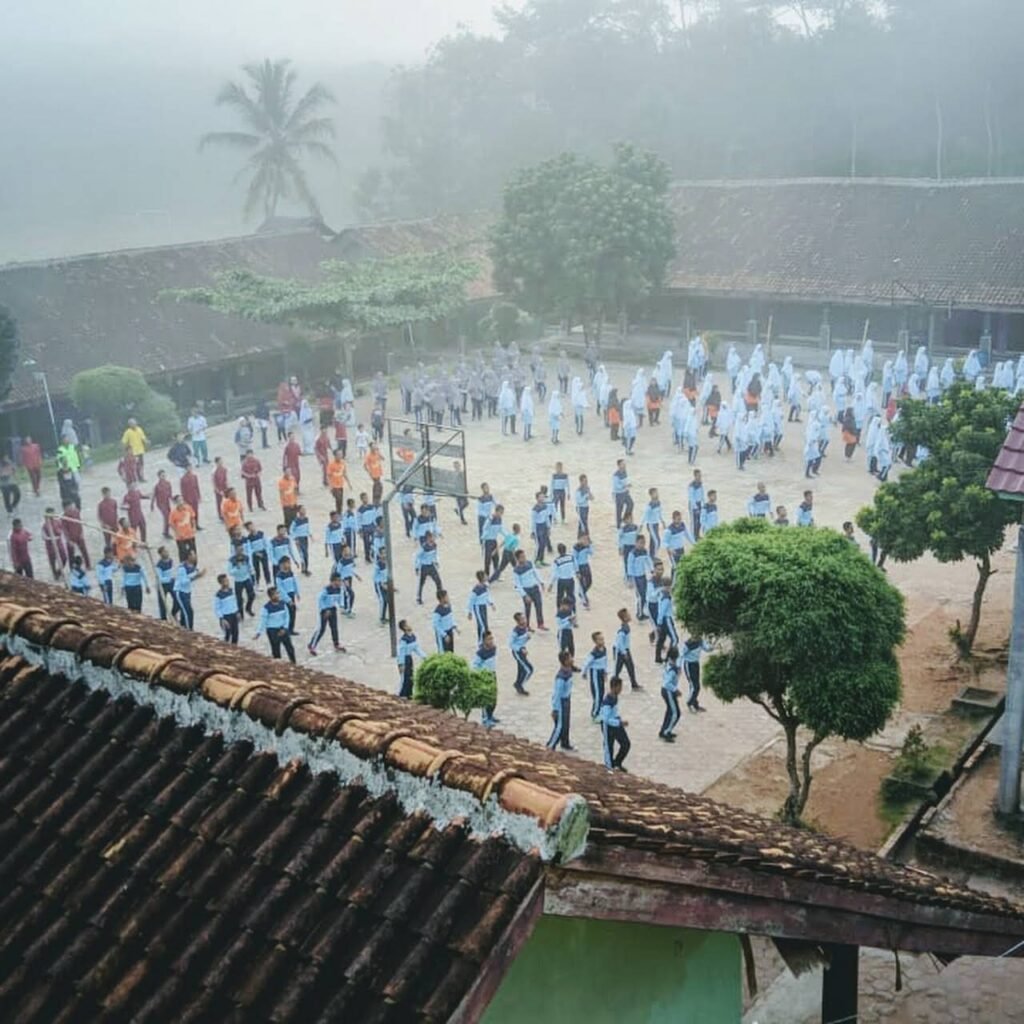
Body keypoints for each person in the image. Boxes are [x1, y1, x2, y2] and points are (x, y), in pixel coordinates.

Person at [255, 586, 296, 663]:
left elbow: (287, 617)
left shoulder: (283, 604)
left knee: (290, 648)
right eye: (275, 594)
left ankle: (294, 663)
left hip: (283, 629)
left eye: (278, 593)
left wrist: (285, 628)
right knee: (276, 650)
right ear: (270, 596)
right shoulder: (266, 608)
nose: (278, 595)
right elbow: (263, 621)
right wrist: (259, 632)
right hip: (272, 631)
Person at [546, 650, 577, 751]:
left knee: (566, 723)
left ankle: (565, 742)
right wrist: (555, 709)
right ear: (565, 661)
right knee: (560, 726)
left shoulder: (568, 670)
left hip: (567, 700)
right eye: (570, 658)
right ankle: (550, 746)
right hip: (561, 703)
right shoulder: (561, 677)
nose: (572, 659)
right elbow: (557, 694)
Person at [600, 676, 631, 772]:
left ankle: (617, 762)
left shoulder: (615, 696)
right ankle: (609, 767)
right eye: (620, 687)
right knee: (609, 747)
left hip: (616, 724)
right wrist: (619, 722)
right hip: (608, 727)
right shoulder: (607, 702)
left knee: (626, 744)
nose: (621, 689)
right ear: (614, 687)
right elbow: (605, 719)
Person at [513, 550, 546, 630]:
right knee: (527, 609)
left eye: (524, 556)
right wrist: (524, 595)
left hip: (534, 588)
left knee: (539, 606)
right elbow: (518, 585)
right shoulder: (516, 570)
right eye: (522, 557)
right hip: (526, 590)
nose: (524, 558)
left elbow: (536, 573)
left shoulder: (530, 564)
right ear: (518, 559)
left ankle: (540, 624)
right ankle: (526, 625)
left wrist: (541, 582)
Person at [472, 630, 500, 728]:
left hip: (492, 675)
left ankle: (490, 715)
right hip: (484, 677)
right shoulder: (480, 653)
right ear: (483, 641)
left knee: (493, 697)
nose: (491, 641)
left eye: (492, 638)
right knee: (485, 698)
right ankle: (485, 719)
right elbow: (474, 666)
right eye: (489, 639)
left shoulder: (494, 649)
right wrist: (480, 676)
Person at [581, 631, 609, 721]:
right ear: (595, 641)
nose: (602, 641)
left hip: (601, 673)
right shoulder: (594, 653)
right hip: (595, 674)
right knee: (597, 694)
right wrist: (584, 672)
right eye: (600, 639)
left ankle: (600, 710)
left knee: (602, 692)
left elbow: (605, 662)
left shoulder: (604, 649)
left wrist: (605, 672)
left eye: (603, 639)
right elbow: (587, 663)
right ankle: (594, 713)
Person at [396, 619, 427, 698]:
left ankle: (409, 693)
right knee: (404, 678)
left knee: (410, 677)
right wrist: (401, 664)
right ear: (405, 627)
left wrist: (424, 656)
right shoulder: (404, 640)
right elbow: (401, 652)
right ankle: (401, 694)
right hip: (405, 659)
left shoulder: (412, 637)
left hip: (409, 659)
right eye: (407, 624)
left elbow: (416, 648)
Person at [174, 551, 204, 629]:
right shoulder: (182, 568)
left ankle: (183, 626)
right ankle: (189, 629)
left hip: (187, 592)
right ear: (189, 556)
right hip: (180, 592)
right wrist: (195, 576)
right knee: (188, 612)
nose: (195, 556)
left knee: (185, 611)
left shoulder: (193, 567)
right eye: (193, 555)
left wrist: (199, 575)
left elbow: (193, 577)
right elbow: (183, 581)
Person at [682, 635, 713, 712]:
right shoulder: (688, 644)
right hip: (689, 665)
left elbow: (707, 648)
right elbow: (681, 655)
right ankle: (690, 702)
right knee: (695, 686)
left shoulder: (700, 641)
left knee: (694, 685)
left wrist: (712, 647)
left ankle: (695, 704)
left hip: (696, 664)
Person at [659, 646, 682, 742]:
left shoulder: (668, 663)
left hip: (666, 691)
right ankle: (666, 732)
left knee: (669, 711)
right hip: (668, 691)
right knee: (676, 713)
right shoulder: (672, 669)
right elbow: (667, 683)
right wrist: (675, 690)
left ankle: (663, 730)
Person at [509, 611, 534, 695]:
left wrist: (528, 637)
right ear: (518, 621)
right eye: (522, 619)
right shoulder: (515, 632)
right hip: (517, 652)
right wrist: (520, 649)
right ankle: (520, 685)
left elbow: (523, 639)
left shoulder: (525, 627)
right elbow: (511, 644)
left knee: (521, 669)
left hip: (523, 651)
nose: (524, 620)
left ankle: (517, 683)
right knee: (529, 669)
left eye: (525, 618)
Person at [466, 571, 495, 643]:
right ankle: (481, 642)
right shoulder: (476, 589)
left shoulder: (485, 586)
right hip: (478, 608)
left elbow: (487, 596)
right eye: (485, 575)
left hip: (483, 607)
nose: (487, 576)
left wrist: (491, 604)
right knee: (483, 626)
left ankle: (482, 640)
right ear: (482, 578)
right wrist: (470, 612)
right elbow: (471, 601)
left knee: (484, 624)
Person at [275, 556, 301, 634]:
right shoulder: (279, 576)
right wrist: (288, 600)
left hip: (291, 594)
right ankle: (285, 629)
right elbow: (281, 589)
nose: (289, 565)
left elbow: (295, 583)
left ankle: (291, 629)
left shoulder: (290, 573)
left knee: (293, 613)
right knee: (286, 614)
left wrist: (297, 593)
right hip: (285, 598)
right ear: (282, 564)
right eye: (288, 563)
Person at [42, 508, 68, 580]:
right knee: (52, 560)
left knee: (64, 558)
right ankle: (55, 574)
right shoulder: (44, 525)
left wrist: (59, 536)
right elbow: (43, 536)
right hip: (50, 545)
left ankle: (59, 571)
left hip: (59, 543)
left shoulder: (57, 521)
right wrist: (51, 538)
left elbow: (61, 530)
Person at [213, 573, 240, 644]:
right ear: (221, 583)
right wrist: (222, 619)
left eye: (227, 580)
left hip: (234, 615)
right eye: (225, 581)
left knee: (235, 634)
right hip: (226, 617)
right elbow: (217, 608)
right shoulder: (218, 595)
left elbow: (234, 602)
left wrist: (237, 612)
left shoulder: (231, 590)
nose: (227, 582)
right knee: (227, 635)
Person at [169, 495, 197, 562]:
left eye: (182, 500)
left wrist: (194, 527)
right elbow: (171, 524)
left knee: (193, 551)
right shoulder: (173, 513)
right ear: (175, 503)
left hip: (190, 535)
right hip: (180, 537)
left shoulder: (188, 508)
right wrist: (177, 533)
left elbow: (192, 518)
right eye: (179, 501)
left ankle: (194, 565)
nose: (181, 502)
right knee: (183, 553)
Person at [154, 546, 178, 621]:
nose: (167, 553)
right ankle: (163, 619)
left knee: (177, 599)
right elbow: (160, 579)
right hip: (163, 586)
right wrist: (169, 579)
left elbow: (174, 570)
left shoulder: (171, 561)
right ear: (161, 554)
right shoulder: (159, 565)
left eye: (167, 551)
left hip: (172, 584)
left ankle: (174, 612)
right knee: (162, 603)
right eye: (164, 552)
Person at [151, 469, 173, 538]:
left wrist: (174, 500)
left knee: (169, 517)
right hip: (161, 504)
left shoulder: (168, 483)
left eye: (164, 475)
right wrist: (151, 505)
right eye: (162, 475)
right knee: (166, 517)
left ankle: (165, 531)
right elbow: (154, 496)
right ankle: (166, 532)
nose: (164, 476)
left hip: (167, 502)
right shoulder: (157, 486)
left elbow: (170, 494)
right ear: (159, 476)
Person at [612, 459, 633, 528]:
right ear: (619, 465)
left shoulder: (625, 472)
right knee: (619, 510)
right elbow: (616, 486)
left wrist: (627, 485)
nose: (624, 465)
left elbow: (625, 480)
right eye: (622, 464)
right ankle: (618, 525)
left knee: (631, 504)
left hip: (625, 492)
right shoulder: (616, 475)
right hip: (619, 494)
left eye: (624, 464)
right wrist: (625, 486)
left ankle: (624, 519)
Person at [180, 464, 202, 530]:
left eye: (190, 468)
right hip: (188, 498)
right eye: (188, 468)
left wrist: (199, 496)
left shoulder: (194, 476)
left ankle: (197, 524)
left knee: (196, 511)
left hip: (194, 496)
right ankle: (191, 525)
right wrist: (184, 499)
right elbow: (182, 490)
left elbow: (197, 487)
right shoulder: (183, 479)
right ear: (185, 469)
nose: (189, 469)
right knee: (189, 512)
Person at [212, 456, 229, 520]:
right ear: (216, 463)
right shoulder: (214, 471)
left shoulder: (224, 469)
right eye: (220, 461)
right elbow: (214, 481)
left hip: (224, 487)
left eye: (221, 461)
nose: (221, 462)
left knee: (227, 501)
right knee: (219, 502)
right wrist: (217, 490)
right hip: (218, 488)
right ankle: (220, 515)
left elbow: (226, 479)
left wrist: (227, 487)